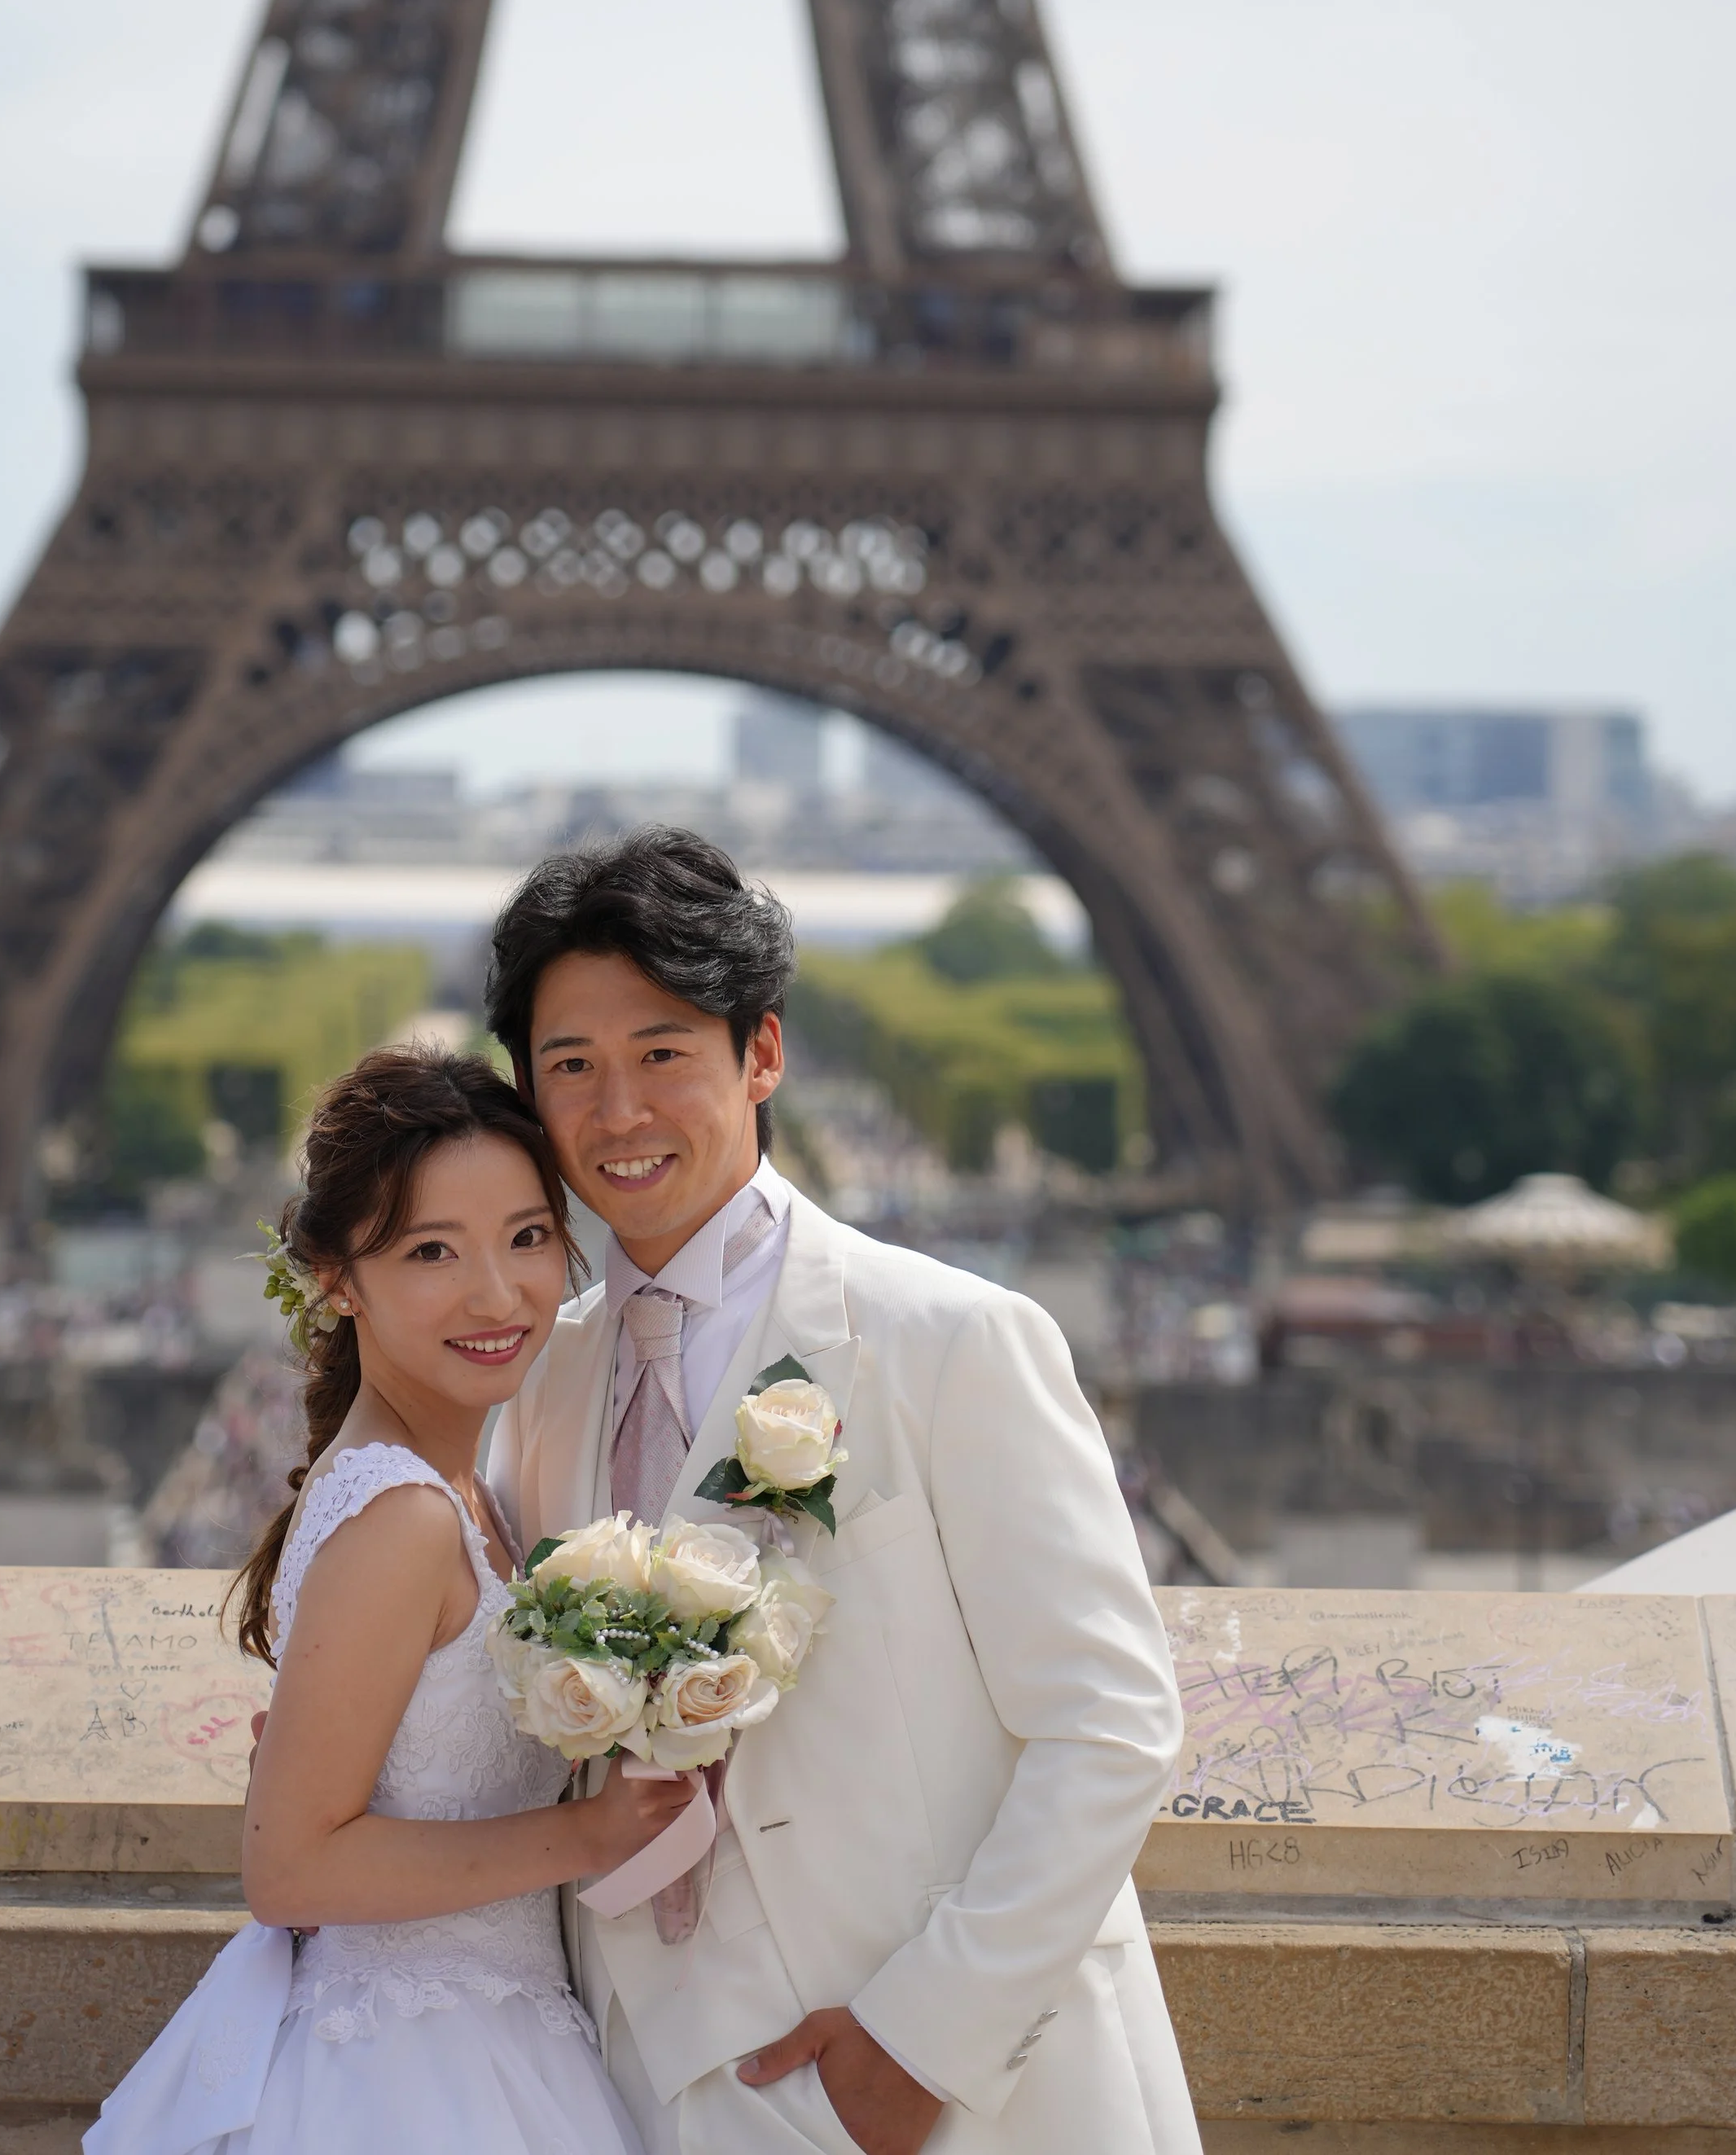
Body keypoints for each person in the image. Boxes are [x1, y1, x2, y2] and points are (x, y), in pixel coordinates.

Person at [485, 827, 1200, 2155]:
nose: (616, 1110)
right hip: (641, 2086)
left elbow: (1111, 1722)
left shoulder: (952, 1339)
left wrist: (920, 2043)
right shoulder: (541, 1379)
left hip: (937, 2090)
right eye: (569, 1066)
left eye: (661, 1054)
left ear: (763, 1054)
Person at [84, 1048, 683, 2155]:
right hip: (427, 2075)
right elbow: (293, 1867)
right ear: (335, 1277)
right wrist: (586, 1831)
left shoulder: (460, 1484)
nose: (498, 1293)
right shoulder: (405, 1514)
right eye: (431, 1251)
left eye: (527, 1235)